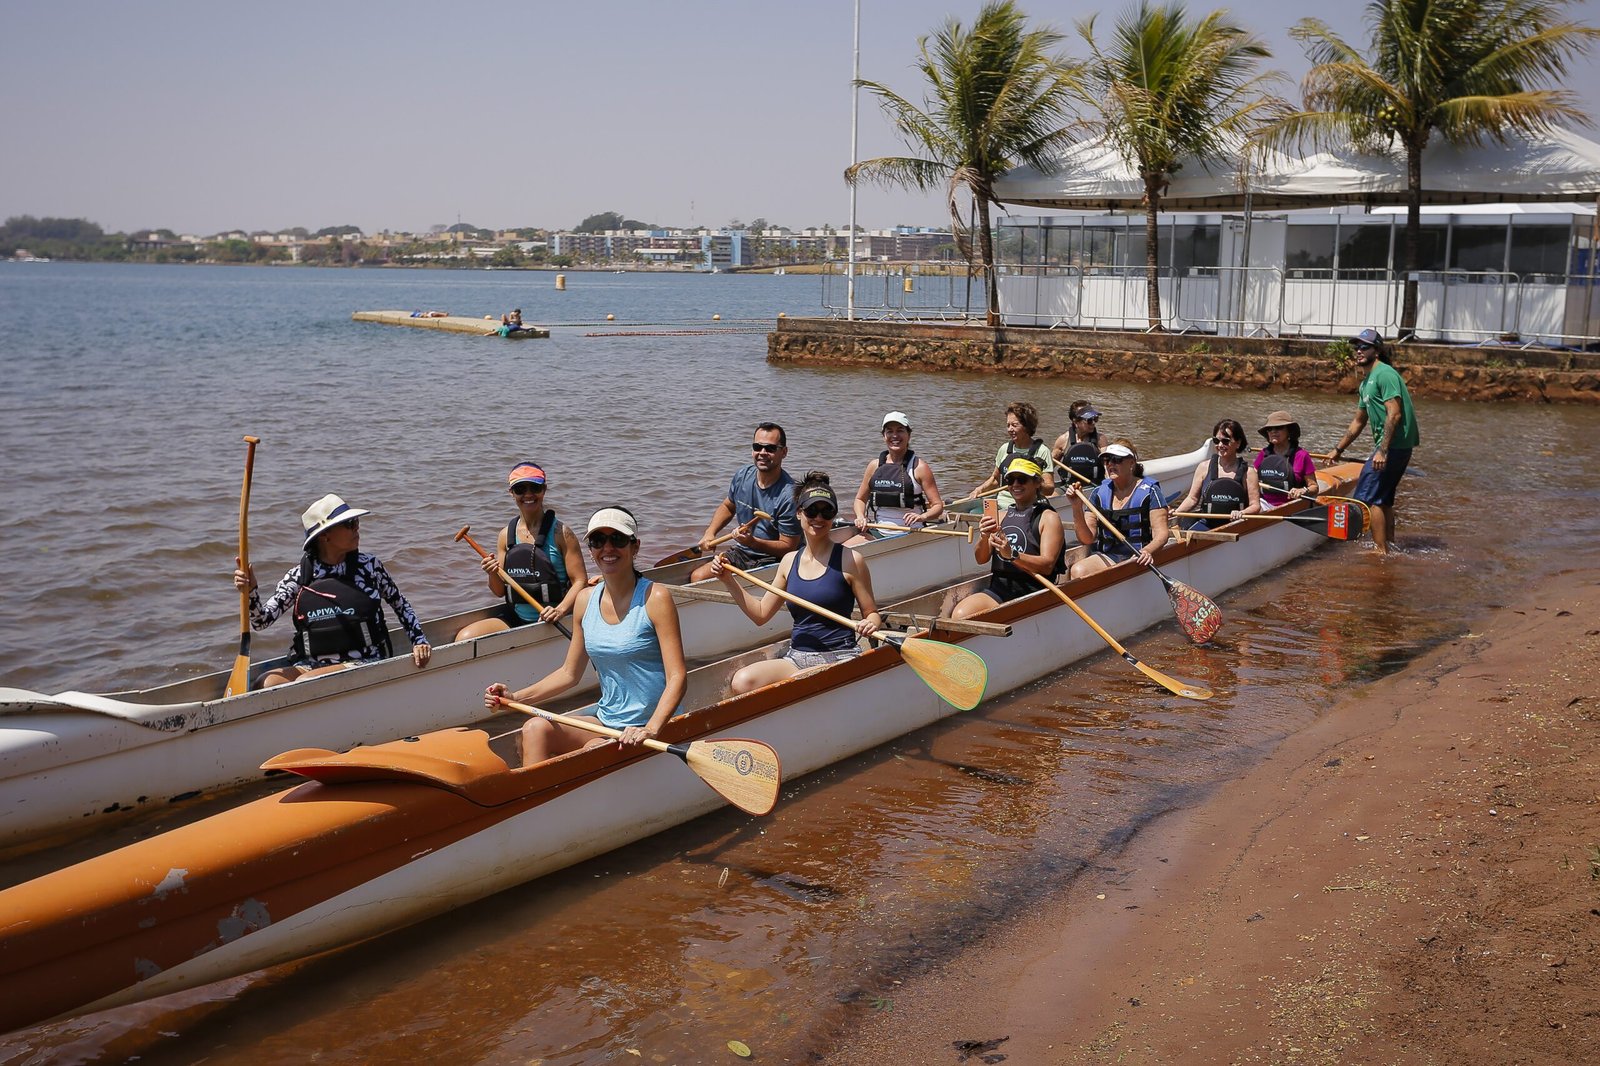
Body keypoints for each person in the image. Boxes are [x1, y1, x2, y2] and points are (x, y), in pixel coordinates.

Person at [485, 507, 687, 764]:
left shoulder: (655, 598)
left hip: (651, 725)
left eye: (618, 539)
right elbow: (570, 674)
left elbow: (678, 677)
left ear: (635, 547)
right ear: (590, 551)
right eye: (598, 541)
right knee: (534, 729)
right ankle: (538, 801)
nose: (608, 548)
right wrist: (514, 698)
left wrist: (651, 728)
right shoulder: (584, 600)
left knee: (593, 747)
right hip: (607, 719)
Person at [233, 494, 432, 687]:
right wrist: (250, 592)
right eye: (349, 524)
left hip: (364, 661)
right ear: (324, 536)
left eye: (356, 522)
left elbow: (401, 605)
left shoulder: (370, 567)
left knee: (305, 683)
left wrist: (418, 640)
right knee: (266, 683)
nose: (357, 528)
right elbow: (261, 621)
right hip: (308, 665)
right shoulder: (299, 576)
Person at [713, 472, 883, 693]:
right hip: (797, 657)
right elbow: (761, 614)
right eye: (812, 510)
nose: (819, 518)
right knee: (742, 681)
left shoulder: (851, 560)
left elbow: (872, 614)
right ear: (798, 513)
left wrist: (871, 623)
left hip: (840, 656)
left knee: (798, 681)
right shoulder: (788, 561)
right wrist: (728, 580)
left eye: (827, 511)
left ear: (833, 517)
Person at [453, 462, 587, 642]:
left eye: (535, 487)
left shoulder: (562, 534)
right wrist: (492, 573)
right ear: (511, 493)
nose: (528, 494)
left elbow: (580, 581)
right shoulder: (505, 535)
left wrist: (560, 610)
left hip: (558, 618)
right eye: (520, 489)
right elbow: (499, 591)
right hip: (518, 618)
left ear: (544, 490)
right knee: (465, 638)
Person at [1328, 328, 1420, 554]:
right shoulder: (1366, 382)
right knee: (1384, 497)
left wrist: (1382, 451)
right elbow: (1359, 421)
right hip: (1392, 447)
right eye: (1356, 347)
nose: (1358, 351)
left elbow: (1395, 414)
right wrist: (1338, 449)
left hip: (1393, 447)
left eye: (1364, 347)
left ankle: (1381, 551)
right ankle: (1390, 544)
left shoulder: (1384, 374)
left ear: (1376, 350)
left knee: (1367, 498)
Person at [687, 422, 802, 582]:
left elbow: (788, 547)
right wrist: (710, 532)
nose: (762, 453)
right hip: (744, 550)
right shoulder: (742, 476)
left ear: (784, 452)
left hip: (775, 560)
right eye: (757, 447)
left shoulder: (789, 495)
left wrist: (753, 542)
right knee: (698, 577)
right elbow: (728, 506)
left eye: (770, 448)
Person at [953, 457, 1065, 620]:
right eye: (1011, 480)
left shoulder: (1048, 518)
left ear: (1037, 483)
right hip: (999, 590)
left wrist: (1012, 555)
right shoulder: (1000, 515)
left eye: (1022, 479)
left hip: (1035, 591)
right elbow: (981, 559)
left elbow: (1047, 566)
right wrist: (984, 536)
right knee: (960, 614)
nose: (1015, 485)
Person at [1066, 441, 1171, 579]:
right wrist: (1076, 507)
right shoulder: (1098, 493)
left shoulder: (1150, 491)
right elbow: (1087, 539)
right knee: (1078, 570)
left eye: (1117, 460)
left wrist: (1147, 551)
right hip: (1109, 556)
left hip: (1138, 556)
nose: (1110, 464)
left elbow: (1162, 534)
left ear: (1131, 463)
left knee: (1129, 564)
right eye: (1107, 460)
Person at [849, 410, 946, 542]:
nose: (895, 436)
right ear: (884, 435)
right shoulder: (874, 466)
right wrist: (861, 516)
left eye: (900, 430)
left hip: (912, 533)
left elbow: (937, 506)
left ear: (909, 435)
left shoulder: (920, 467)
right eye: (890, 431)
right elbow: (860, 499)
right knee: (842, 550)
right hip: (878, 532)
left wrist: (922, 517)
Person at [1172, 418, 1261, 531]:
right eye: (1216, 441)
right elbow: (1192, 499)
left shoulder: (1249, 473)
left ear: (1238, 443)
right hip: (1207, 523)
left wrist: (1241, 513)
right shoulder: (1203, 467)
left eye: (1225, 441)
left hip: (1235, 525)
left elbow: (1255, 505)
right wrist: (1176, 513)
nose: (1220, 445)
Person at [968, 401, 1055, 509]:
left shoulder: (1042, 451)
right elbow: (995, 480)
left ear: (1027, 426)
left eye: (1014, 425)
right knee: (973, 511)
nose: (1010, 429)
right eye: (1008, 425)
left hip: (1029, 506)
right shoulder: (1004, 449)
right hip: (1002, 504)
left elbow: (1050, 489)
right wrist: (980, 489)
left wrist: (1029, 482)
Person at [1254, 410, 1320, 508]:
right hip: (1264, 505)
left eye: (1278, 428)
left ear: (1289, 431)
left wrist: (1302, 490)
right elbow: (1252, 480)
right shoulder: (1263, 454)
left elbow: (1314, 487)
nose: (1273, 431)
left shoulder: (1302, 455)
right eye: (1269, 429)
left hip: (1291, 506)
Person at [1051, 400, 1105, 489]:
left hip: (1095, 487)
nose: (1094, 423)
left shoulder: (1101, 439)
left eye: (1095, 419)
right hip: (1069, 487)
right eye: (1089, 420)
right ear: (1075, 421)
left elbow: (1108, 466)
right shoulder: (1063, 440)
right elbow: (1048, 467)